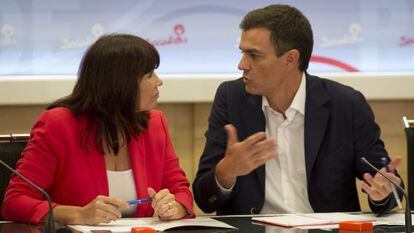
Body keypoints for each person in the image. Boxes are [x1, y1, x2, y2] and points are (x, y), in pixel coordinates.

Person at [193, 4, 403, 215]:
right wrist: (226, 171)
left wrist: (384, 193)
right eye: (242, 53)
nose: (242, 65)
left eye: (254, 55)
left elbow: (386, 181)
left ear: (290, 60)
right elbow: (205, 199)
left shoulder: (346, 104)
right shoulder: (231, 98)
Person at [1, 34, 194, 225]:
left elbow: (180, 191)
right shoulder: (58, 125)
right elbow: (16, 201)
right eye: (150, 74)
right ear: (121, 82)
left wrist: (173, 207)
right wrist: (78, 215)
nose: (159, 81)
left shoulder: (155, 123)